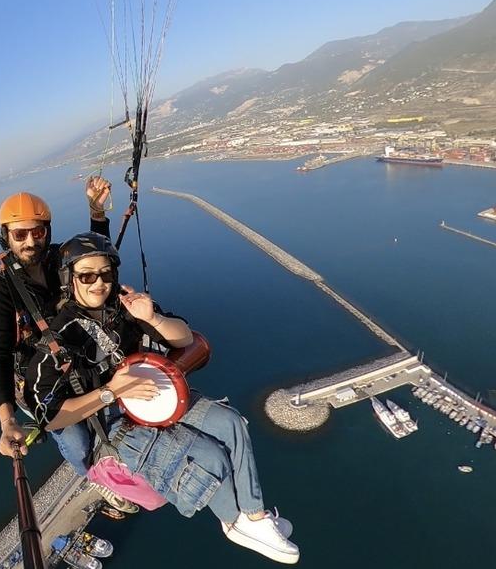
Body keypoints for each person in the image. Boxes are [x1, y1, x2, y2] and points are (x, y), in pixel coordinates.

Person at [22, 232, 300, 564]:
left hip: (152, 398)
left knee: (231, 423)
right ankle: (233, 522)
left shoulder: (124, 308)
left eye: (106, 274)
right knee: (209, 457)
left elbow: (185, 338)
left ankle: (254, 517)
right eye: (87, 276)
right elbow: (51, 417)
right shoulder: (58, 339)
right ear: (70, 279)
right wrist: (112, 391)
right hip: (111, 423)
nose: (99, 283)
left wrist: (151, 317)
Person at [0, 178, 139, 513]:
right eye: (20, 234)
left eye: (37, 232)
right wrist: (7, 420)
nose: (30, 241)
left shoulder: (58, 259)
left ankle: (126, 458)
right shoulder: (1, 286)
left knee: (114, 408)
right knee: (76, 440)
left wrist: (97, 212)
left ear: (47, 231)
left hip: (78, 357)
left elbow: (94, 261)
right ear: (6, 236)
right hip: (39, 377)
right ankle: (95, 476)